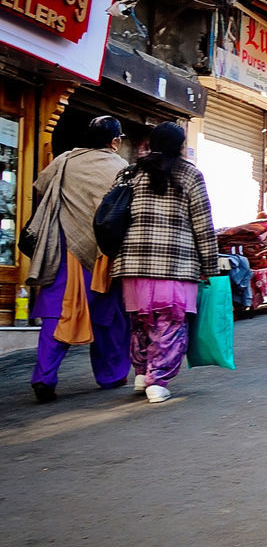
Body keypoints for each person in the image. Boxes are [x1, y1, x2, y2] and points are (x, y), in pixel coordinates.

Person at [111, 122, 218, 403]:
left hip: (133, 266)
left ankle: (140, 373)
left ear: (151, 143)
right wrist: (210, 267)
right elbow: (203, 226)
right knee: (169, 325)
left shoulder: (129, 173)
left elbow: (114, 215)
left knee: (141, 323)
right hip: (175, 267)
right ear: (181, 146)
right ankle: (156, 381)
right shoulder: (190, 175)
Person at [27, 116, 130, 402]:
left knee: (58, 314)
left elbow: (40, 186)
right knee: (109, 317)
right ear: (115, 142)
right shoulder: (122, 169)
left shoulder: (65, 160)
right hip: (103, 255)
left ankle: (44, 377)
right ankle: (111, 375)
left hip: (65, 250)